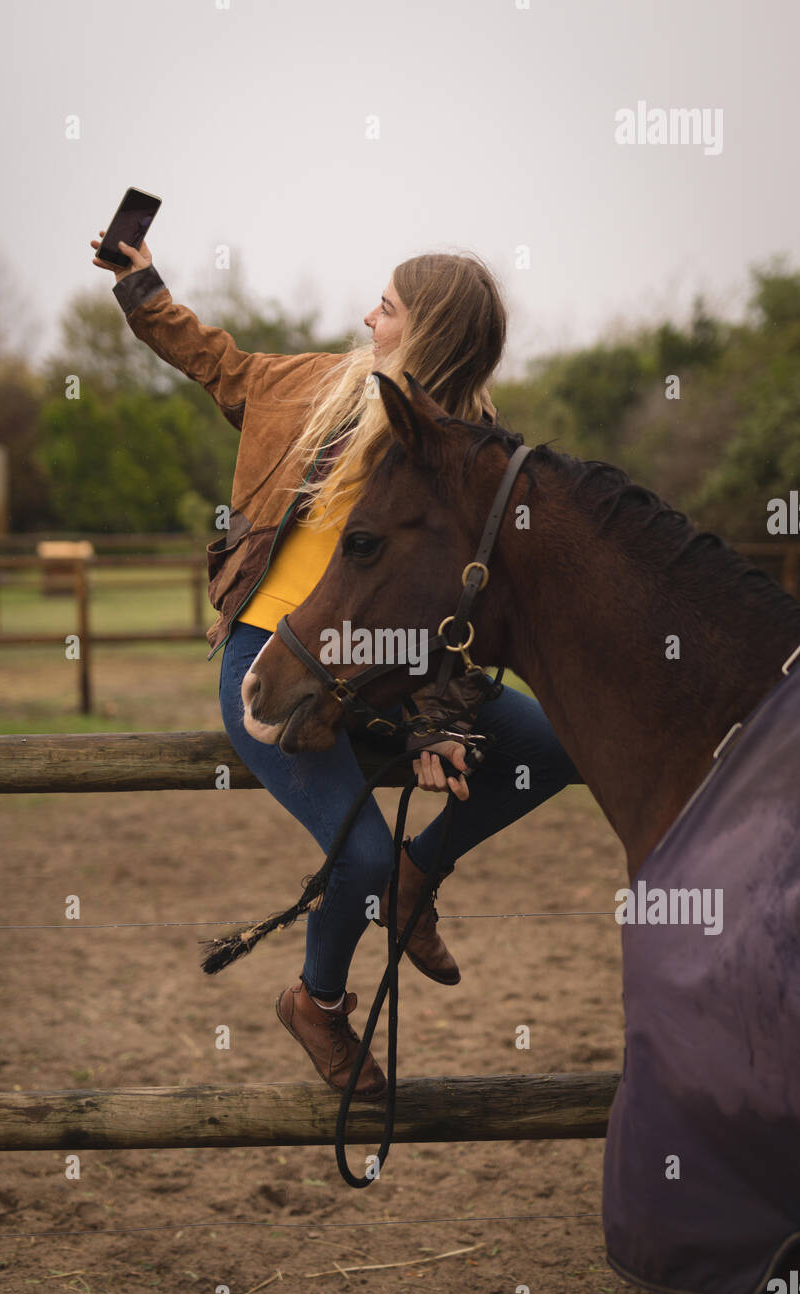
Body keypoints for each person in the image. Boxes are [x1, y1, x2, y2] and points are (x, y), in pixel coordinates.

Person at [92, 229, 579, 1098]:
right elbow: (215, 361)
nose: (367, 316)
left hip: (390, 665)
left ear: (427, 331)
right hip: (271, 655)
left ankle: (417, 874)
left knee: (553, 745)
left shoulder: (473, 453)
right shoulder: (315, 386)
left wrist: (441, 717)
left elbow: (464, 607)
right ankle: (317, 1004)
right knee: (353, 857)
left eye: (386, 308)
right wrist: (142, 286)